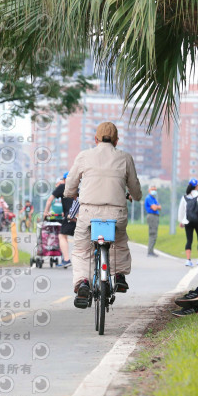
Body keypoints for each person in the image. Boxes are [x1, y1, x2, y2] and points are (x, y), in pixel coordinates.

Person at [64, 122, 142, 309]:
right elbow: (135, 188)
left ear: (96, 139)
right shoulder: (125, 157)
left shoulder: (84, 156)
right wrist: (134, 195)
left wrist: (71, 193)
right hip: (117, 213)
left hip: (89, 213)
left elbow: (70, 185)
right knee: (120, 243)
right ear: (116, 140)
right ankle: (120, 275)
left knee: (82, 250)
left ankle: (83, 282)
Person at [43, 172, 75, 268]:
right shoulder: (79, 188)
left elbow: (49, 200)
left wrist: (46, 212)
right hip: (81, 216)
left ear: (65, 180)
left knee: (62, 236)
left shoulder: (62, 187)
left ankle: (66, 259)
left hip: (70, 216)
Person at [178, 178, 198, 266]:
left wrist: (181, 221)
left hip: (188, 221)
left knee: (189, 240)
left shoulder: (184, 197)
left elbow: (181, 210)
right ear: (196, 186)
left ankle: (188, 260)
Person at [144, 185, 162, 257]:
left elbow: (159, 207)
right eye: (152, 189)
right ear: (149, 190)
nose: (154, 191)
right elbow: (154, 208)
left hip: (155, 216)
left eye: (155, 189)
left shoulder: (153, 198)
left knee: (154, 234)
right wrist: (157, 207)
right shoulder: (149, 198)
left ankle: (151, 251)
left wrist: (157, 207)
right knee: (153, 234)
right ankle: (150, 252)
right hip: (152, 216)